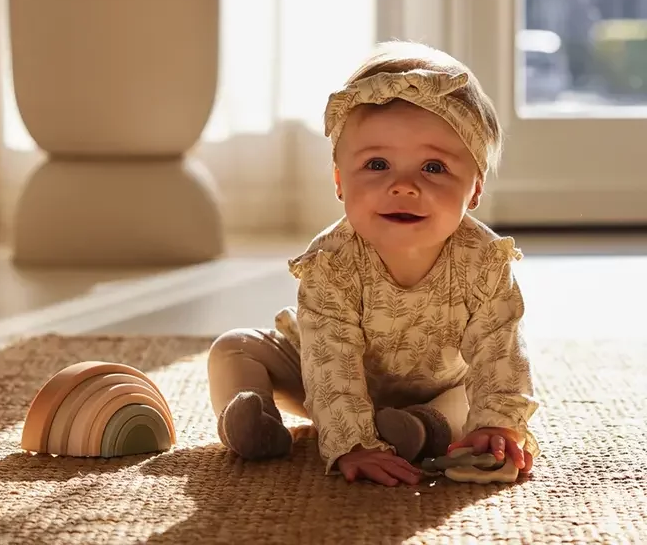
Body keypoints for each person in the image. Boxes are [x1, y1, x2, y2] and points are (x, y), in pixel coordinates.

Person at [206, 40, 541, 487]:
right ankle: (254, 418)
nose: (403, 186)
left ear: (475, 189)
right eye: (378, 164)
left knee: (468, 399)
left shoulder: (485, 262)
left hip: (438, 384)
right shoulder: (331, 262)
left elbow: (501, 352)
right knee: (234, 347)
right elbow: (329, 358)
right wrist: (352, 440)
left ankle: (421, 428)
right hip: (324, 375)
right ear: (340, 181)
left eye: (434, 168)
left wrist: (498, 424)